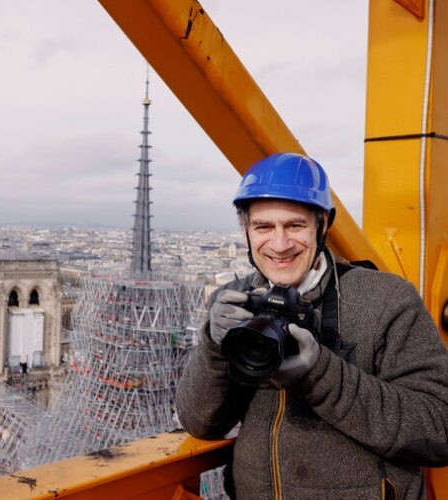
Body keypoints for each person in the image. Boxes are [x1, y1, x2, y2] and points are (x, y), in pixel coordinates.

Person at [176, 153, 448, 499]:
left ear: (323, 224)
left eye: (295, 226)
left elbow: (439, 427)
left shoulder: (386, 300)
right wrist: (215, 347)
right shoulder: (236, 302)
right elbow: (200, 421)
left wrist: (321, 374)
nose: (279, 244)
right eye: (263, 227)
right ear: (245, 230)